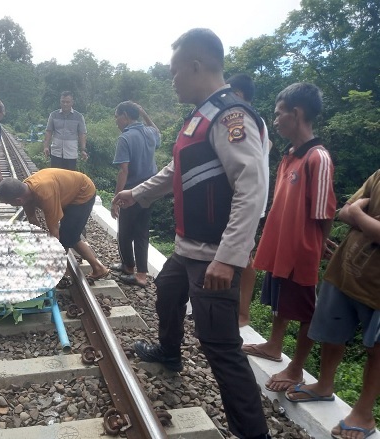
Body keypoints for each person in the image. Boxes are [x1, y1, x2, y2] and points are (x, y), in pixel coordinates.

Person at [112, 29, 270, 439]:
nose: (172, 79)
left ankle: (252, 433)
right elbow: (175, 171)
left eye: (175, 71)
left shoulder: (231, 117)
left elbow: (252, 188)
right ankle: (169, 353)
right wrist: (137, 193)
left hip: (214, 254)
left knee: (220, 347)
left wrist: (229, 257)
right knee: (167, 290)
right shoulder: (200, 116)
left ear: (197, 66)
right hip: (188, 248)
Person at [243, 83, 336, 393]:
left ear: (296, 114)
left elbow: (324, 212)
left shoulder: (317, 158)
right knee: (280, 300)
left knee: (306, 311)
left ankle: (295, 369)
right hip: (281, 246)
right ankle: (274, 344)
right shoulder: (290, 156)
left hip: (300, 251)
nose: (276, 119)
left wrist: (317, 249)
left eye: (278, 113)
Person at [284, 169, 380, 439]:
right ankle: (324, 385)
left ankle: (364, 413)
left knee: (376, 351)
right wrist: (365, 220)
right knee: (332, 334)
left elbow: (354, 213)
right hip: (344, 271)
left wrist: (361, 215)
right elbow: (344, 212)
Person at [0, 169, 109, 281]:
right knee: (70, 236)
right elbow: (32, 220)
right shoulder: (25, 192)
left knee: (66, 238)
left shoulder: (45, 194)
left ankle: (95, 268)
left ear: (18, 200)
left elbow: (55, 235)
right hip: (66, 193)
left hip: (82, 193)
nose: (10, 205)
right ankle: (98, 268)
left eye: (8, 203)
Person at [226, 73, 273, 327]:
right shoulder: (258, 121)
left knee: (244, 257)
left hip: (248, 200)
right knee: (239, 255)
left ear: (239, 94)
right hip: (250, 199)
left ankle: (243, 314)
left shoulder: (243, 118)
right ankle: (235, 310)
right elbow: (269, 145)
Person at [110, 101, 160, 288]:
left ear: (125, 116)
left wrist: (116, 200)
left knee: (124, 232)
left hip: (131, 192)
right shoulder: (150, 133)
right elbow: (157, 131)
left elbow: (124, 172)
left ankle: (129, 267)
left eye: (117, 117)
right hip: (150, 191)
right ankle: (141, 274)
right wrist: (144, 113)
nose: (116, 121)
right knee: (141, 232)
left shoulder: (125, 138)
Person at [42, 91, 88, 170]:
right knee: (55, 177)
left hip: (71, 153)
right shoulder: (53, 115)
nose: (65, 104)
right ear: (60, 102)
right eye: (63, 102)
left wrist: (83, 150)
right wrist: (46, 147)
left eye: (67, 102)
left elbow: (82, 134)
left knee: (68, 178)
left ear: (72, 102)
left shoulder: (79, 117)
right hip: (56, 152)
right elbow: (49, 131)